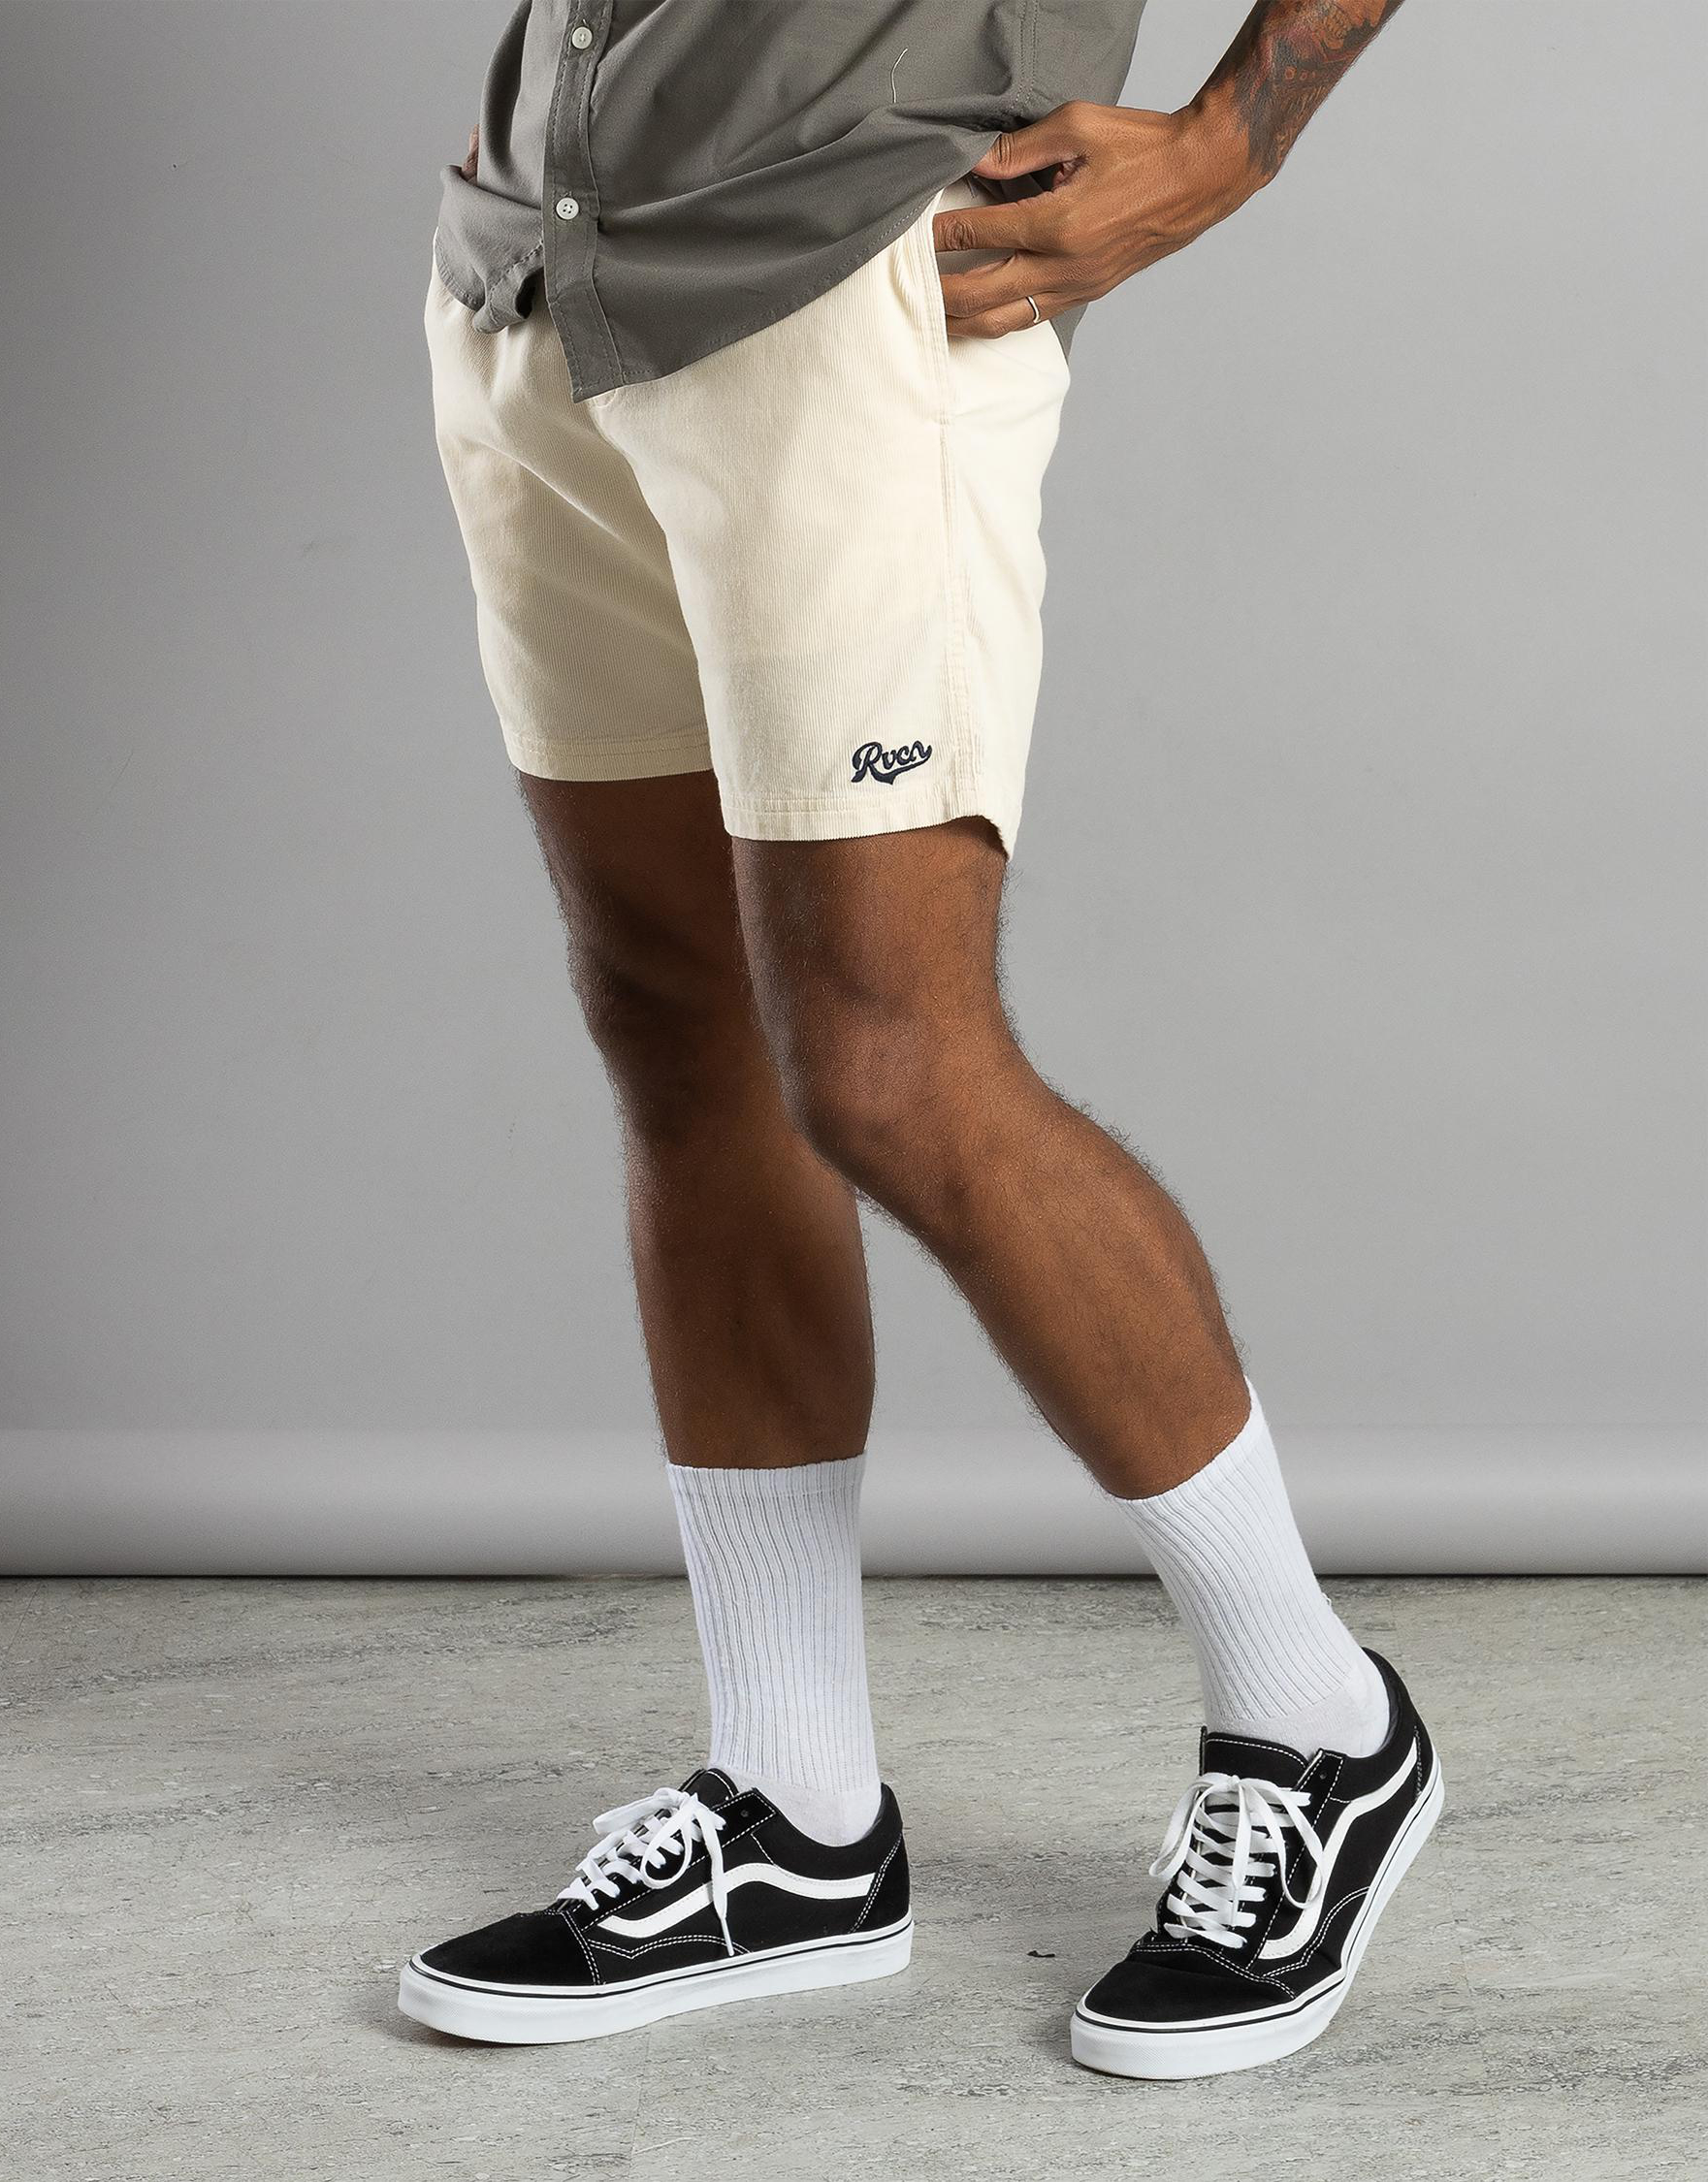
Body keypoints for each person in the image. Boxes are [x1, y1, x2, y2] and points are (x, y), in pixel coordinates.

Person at [400, 0, 1440, 2080]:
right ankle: (792, 1813)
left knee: (887, 1061)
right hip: (543, 262)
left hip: (858, 272)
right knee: (676, 1027)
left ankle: (1320, 1720)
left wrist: (1236, 133)